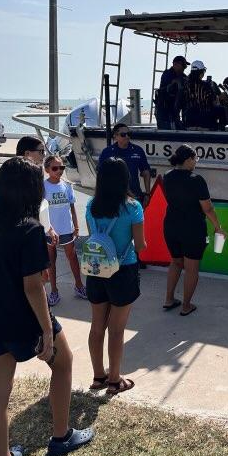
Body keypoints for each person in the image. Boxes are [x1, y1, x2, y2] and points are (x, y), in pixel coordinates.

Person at [0, 157, 94, 456]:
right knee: (63, 363)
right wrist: (48, 332)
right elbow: (33, 286)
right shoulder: (30, 229)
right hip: (26, 319)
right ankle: (61, 436)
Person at [85, 157, 145, 396]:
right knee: (117, 329)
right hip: (123, 269)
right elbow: (140, 246)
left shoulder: (91, 205)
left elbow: (95, 238)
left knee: (97, 325)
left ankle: (98, 376)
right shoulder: (133, 207)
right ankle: (114, 379)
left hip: (96, 269)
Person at [162, 145, 225, 316]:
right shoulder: (196, 179)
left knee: (175, 262)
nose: (196, 162)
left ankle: (169, 299)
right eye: (195, 158)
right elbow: (208, 209)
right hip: (192, 228)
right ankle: (186, 305)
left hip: (171, 226)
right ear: (188, 159)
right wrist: (218, 228)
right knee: (191, 267)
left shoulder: (167, 176)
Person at [43, 155, 85, 307]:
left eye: (61, 167)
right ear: (47, 170)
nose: (59, 171)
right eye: (55, 168)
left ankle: (79, 286)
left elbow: (72, 207)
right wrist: (48, 228)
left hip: (67, 229)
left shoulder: (67, 185)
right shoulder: (43, 186)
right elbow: (41, 210)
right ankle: (54, 291)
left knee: (72, 257)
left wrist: (76, 226)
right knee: (51, 261)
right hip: (49, 231)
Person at [98, 124, 151, 205]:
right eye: (123, 135)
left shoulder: (138, 150)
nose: (127, 136)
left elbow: (146, 172)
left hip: (134, 195)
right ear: (115, 136)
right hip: (113, 197)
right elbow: (101, 175)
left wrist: (147, 193)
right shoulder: (107, 152)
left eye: (129, 134)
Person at [155, 55, 188, 130]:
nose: (184, 68)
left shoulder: (181, 76)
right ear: (176, 64)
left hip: (173, 110)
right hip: (164, 110)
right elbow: (170, 87)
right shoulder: (167, 74)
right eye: (183, 65)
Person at [182, 60, 218, 130]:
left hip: (189, 121)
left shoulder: (184, 85)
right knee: (222, 110)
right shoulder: (206, 86)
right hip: (205, 122)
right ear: (201, 73)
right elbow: (214, 102)